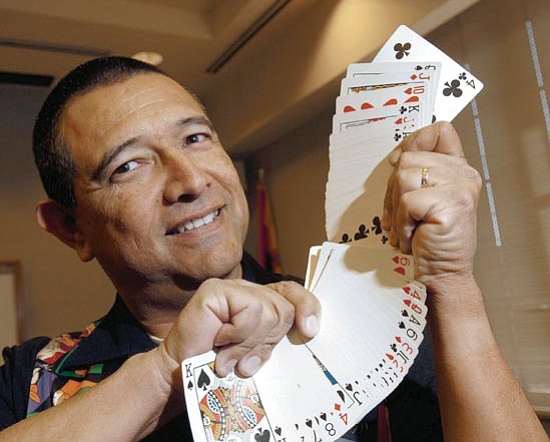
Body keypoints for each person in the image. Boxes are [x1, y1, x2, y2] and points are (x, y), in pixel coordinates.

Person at [0, 56, 546, 441]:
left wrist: (451, 284)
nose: (190, 180)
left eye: (196, 138)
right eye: (129, 165)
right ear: (72, 228)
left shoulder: (372, 320)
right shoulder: (30, 378)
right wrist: (168, 369)